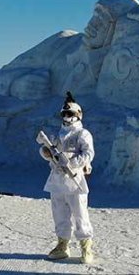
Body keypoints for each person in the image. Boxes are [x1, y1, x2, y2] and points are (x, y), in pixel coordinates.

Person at [37, 92, 95, 264]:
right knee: (59, 214)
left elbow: (88, 154)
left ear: (78, 115)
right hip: (57, 180)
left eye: (70, 114)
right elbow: (47, 150)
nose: (67, 117)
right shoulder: (58, 134)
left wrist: (71, 162)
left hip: (75, 180)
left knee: (80, 214)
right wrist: (46, 153)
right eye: (64, 114)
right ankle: (63, 245)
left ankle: (86, 245)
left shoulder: (82, 134)